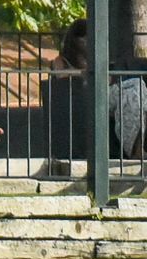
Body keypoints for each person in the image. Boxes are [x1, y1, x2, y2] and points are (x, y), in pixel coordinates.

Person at [53, 18, 145, 158]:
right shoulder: (62, 60)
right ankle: (136, 153)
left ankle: (140, 146)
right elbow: (61, 78)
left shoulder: (97, 56)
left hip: (105, 92)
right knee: (131, 94)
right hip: (86, 96)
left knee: (138, 91)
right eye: (82, 39)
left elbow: (107, 79)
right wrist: (85, 74)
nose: (86, 42)